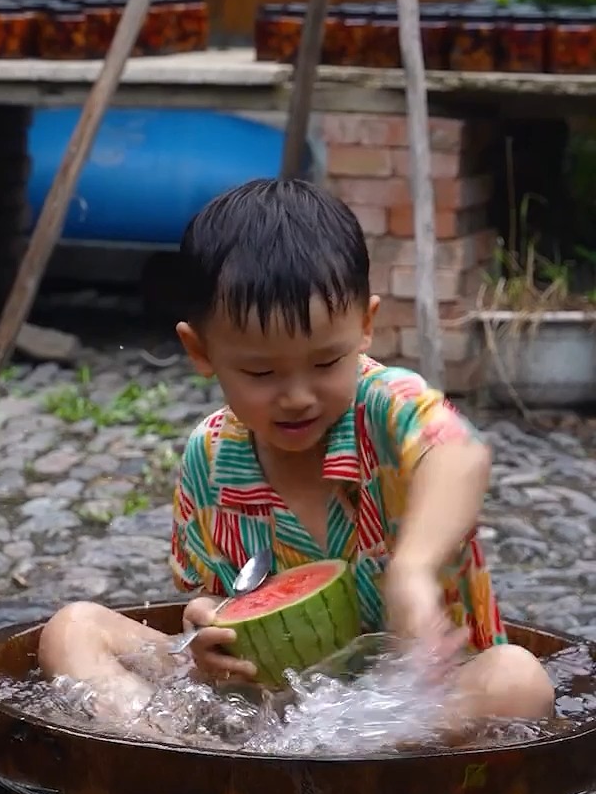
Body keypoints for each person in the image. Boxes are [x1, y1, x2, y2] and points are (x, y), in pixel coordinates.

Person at [39, 178, 553, 729]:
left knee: (516, 680)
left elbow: (460, 456)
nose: (298, 396)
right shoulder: (209, 456)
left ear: (365, 327)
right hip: (272, 703)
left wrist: (414, 568)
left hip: (423, 701)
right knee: (72, 629)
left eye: (326, 363)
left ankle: (340, 765)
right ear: (200, 351)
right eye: (261, 372)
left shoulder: (386, 404)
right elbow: (218, 598)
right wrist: (209, 625)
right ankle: (177, 754)